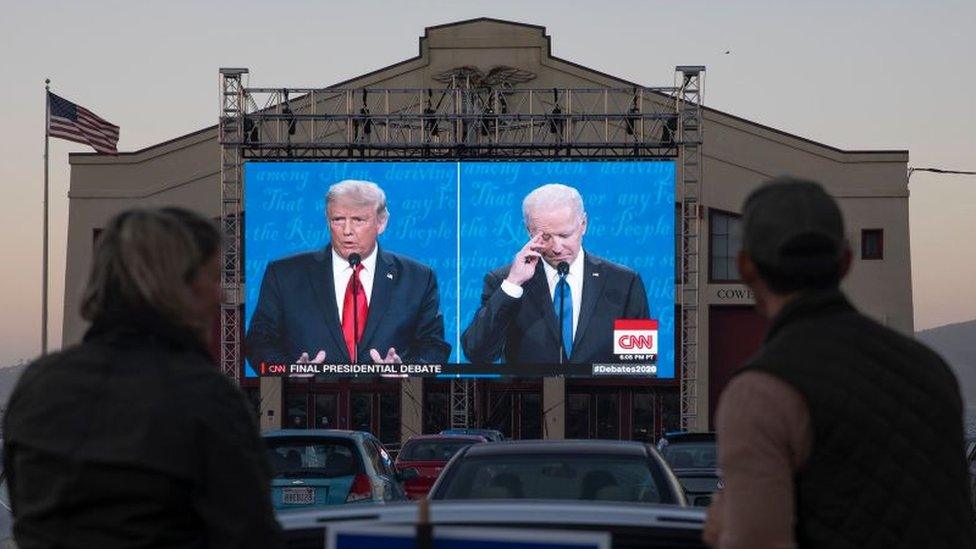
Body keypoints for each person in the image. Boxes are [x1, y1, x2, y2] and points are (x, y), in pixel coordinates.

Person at [703, 178, 975, 548]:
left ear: (745, 267)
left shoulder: (761, 393)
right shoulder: (932, 371)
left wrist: (721, 529)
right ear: (845, 260)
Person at [2, 208, 282, 548]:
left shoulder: (37, 385)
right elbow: (251, 535)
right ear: (178, 287)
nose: (221, 295)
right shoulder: (203, 396)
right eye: (214, 278)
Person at [246, 180, 451, 366]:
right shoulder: (284, 275)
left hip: (391, 399)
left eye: (358, 220)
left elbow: (434, 347)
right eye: (338, 220)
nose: (347, 230)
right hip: (308, 398)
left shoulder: (418, 278)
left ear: (382, 222)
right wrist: (289, 369)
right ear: (327, 220)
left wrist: (405, 369)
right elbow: (258, 342)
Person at [462, 183, 649, 364]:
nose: (557, 248)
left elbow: (641, 364)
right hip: (529, 395)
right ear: (529, 231)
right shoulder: (504, 281)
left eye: (565, 235)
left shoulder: (624, 282)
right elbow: (477, 353)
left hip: (601, 396)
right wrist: (513, 285)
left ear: (583, 224)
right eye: (545, 237)